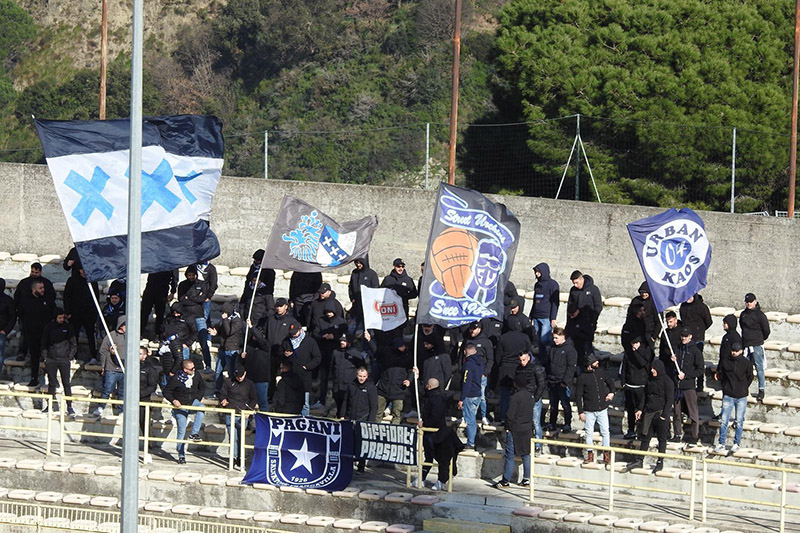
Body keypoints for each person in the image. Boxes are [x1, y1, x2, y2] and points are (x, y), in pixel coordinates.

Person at [629, 358, 674, 474]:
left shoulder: (667, 381)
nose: (652, 371)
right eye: (651, 369)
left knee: (662, 439)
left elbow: (669, 399)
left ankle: (660, 462)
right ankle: (640, 460)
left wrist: (664, 415)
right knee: (645, 437)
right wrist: (640, 409)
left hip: (660, 414)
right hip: (649, 413)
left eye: (654, 369)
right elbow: (645, 396)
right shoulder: (649, 380)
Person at [164, 359, 206, 464]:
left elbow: (202, 387)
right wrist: (174, 400)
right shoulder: (176, 379)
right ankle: (181, 455)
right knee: (181, 431)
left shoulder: (196, 375)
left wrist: (197, 398)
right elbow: (166, 391)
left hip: (192, 402)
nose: (193, 370)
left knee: (201, 407)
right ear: (185, 369)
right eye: (191, 369)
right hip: (180, 406)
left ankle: (194, 433)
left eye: (194, 368)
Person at [494, 374, 533, 487]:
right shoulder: (530, 396)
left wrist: (507, 427)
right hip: (527, 428)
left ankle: (505, 480)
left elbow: (510, 415)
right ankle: (526, 479)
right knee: (526, 454)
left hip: (515, 429)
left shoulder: (515, 397)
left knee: (510, 455)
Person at [575, 353, 615, 464]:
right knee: (589, 433)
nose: (597, 363)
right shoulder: (582, 378)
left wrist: (612, 393)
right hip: (589, 411)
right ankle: (590, 454)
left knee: (605, 432)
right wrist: (580, 412)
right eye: (595, 361)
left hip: (602, 408)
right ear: (589, 364)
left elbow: (610, 382)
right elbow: (578, 396)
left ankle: (606, 455)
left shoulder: (601, 372)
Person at [714, 342, 753, 454]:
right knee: (724, 421)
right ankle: (721, 443)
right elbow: (722, 375)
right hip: (728, 394)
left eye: (736, 351)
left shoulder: (746, 363)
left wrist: (744, 387)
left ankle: (736, 443)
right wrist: (725, 387)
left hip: (741, 396)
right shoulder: (726, 361)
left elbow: (750, 377)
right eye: (733, 350)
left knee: (739, 421)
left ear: (741, 351)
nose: (734, 353)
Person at [668, 328, 704, 444]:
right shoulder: (677, 349)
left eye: (685, 336)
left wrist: (687, 375)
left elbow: (700, 370)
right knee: (676, 412)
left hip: (689, 386)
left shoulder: (696, 351)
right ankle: (677, 434)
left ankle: (694, 436)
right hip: (677, 386)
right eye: (682, 336)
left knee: (693, 412)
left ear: (690, 336)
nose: (683, 338)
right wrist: (672, 361)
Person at [17, 279, 55, 386]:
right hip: (32, 334)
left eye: (43, 288)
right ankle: (34, 378)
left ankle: (51, 380)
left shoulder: (47, 300)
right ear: (34, 289)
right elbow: (21, 314)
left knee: (49, 357)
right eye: (40, 288)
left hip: (46, 335)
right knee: (34, 357)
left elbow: (52, 313)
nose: (43, 290)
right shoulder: (25, 300)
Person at [311, 300, 348, 410]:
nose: (329, 314)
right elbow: (315, 333)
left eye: (331, 312)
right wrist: (323, 336)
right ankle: (321, 401)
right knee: (323, 379)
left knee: (337, 378)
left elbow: (345, 335)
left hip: (337, 354)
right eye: (327, 312)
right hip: (323, 354)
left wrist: (334, 337)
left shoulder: (341, 322)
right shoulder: (321, 321)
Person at [496, 315, 532, 423]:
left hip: (505, 369)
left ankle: (503, 417)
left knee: (505, 396)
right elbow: (528, 352)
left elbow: (498, 356)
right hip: (519, 369)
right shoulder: (525, 338)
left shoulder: (503, 338)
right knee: (518, 395)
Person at [41, 308, 77, 415]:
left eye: (63, 317)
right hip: (51, 359)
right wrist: (45, 357)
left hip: (64, 359)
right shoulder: (49, 327)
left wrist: (69, 356)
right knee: (51, 383)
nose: (61, 319)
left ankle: (69, 406)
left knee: (66, 383)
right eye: (59, 317)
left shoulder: (68, 327)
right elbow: (44, 343)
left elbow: (73, 343)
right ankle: (50, 405)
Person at [417, 377, 451, 489]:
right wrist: (417, 378)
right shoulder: (430, 396)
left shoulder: (437, 399)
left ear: (430, 386)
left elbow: (435, 417)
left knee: (441, 458)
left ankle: (442, 481)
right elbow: (419, 392)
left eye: (427, 385)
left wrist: (424, 423)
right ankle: (422, 478)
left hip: (436, 433)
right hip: (428, 433)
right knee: (428, 457)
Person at [220, 366, 258, 467]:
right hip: (230, 413)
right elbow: (222, 394)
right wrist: (223, 401)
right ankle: (233, 458)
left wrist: (248, 411)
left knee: (241, 438)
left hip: (243, 414)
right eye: (237, 376)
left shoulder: (250, 384)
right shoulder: (228, 382)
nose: (239, 378)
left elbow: (254, 399)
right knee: (232, 437)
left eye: (241, 376)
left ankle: (240, 458)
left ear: (245, 374)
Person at [343, 367, 378, 473]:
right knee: (349, 442)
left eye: (364, 376)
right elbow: (345, 401)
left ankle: (361, 466)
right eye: (360, 376)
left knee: (362, 444)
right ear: (356, 375)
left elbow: (374, 406)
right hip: (351, 417)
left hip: (363, 419)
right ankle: (349, 465)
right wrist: (342, 415)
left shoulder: (371, 387)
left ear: (367, 376)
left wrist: (370, 421)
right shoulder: (351, 385)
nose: (361, 378)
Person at [566, 270, 602, 367]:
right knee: (576, 348)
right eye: (574, 283)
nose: (576, 285)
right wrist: (571, 314)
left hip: (588, 324)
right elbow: (570, 306)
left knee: (587, 348)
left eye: (577, 282)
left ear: (582, 279)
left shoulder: (593, 289)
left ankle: (591, 369)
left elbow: (598, 306)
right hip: (575, 325)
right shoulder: (573, 290)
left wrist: (592, 320)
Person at [544, 327, 577, 432]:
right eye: (554, 338)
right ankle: (552, 423)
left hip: (562, 383)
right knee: (553, 405)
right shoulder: (552, 348)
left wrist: (565, 382)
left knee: (565, 404)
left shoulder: (570, 350)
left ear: (563, 337)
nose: (554, 340)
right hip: (552, 381)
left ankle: (567, 424)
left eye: (556, 338)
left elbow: (571, 367)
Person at [460, 322, 494, 425]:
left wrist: (485, 373)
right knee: (465, 395)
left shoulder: (486, 342)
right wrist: (461, 369)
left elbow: (490, 359)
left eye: (474, 329)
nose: (472, 331)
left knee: (482, 397)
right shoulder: (467, 340)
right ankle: (464, 416)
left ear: (480, 328)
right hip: (468, 373)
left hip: (480, 375)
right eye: (470, 328)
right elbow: (461, 356)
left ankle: (483, 415)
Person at [63, 267, 99, 363]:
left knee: (91, 335)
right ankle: (73, 356)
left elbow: (96, 298)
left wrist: (95, 313)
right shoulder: (72, 281)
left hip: (89, 314)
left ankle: (94, 355)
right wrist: (68, 312)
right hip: (75, 314)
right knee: (74, 336)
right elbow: (66, 296)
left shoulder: (93, 281)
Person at [208, 301, 244, 398]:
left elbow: (229, 331)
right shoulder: (225, 320)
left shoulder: (237, 320)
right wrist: (217, 333)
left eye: (224, 313)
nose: (222, 315)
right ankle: (217, 391)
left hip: (232, 349)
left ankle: (231, 392)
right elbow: (222, 329)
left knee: (231, 372)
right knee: (218, 371)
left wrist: (225, 320)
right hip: (223, 349)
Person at [178, 266, 211, 370]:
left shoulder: (201, 284)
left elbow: (203, 298)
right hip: (187, 317)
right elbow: (181, 299)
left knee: (204, 343)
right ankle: (185, 366)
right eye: (189, 275)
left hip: (199, 317)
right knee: (185, 343)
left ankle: (208, 365)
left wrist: (190, 298)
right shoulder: (182, 285)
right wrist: (196, 298)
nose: (191, 277)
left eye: (193, 275)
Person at [739, 293, 770, 402]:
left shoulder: (760, 315)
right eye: (747, 302)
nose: (748, 304)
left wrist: (759, 339)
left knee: (759, 368)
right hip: (746, 344)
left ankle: (761, 389)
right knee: (745, 368)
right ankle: (743, 387)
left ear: (755, 302)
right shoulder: (743, 314)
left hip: (756, 345)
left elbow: (766, 330)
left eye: (750, 302)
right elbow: (742, 327)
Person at [286, 322, 322, 416]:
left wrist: (307, 367)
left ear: (300, 330)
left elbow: (317, 357)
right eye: (291, 333)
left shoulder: (310, 341)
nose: (293, 335)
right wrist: (285, 355)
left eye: (295, 333)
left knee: (305, 404)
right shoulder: (287, 341)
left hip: (304, 377)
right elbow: (280, 352)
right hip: (290, 377)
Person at [375, 337, 412, 424]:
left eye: (403, 346)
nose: (403, 348)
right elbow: (375, 352)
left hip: (399, 390)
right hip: (383, 389)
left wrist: (409, 380)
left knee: (397, 414)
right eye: (400, 346)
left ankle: (394, 431)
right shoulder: (387, 356)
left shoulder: (408, 356)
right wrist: (369, 341)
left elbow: (411, 370)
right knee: (378, 413)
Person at [680, 293, 712, 391]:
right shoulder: (683, 306)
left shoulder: (702, 307)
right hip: (686, 337)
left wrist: (699, 330)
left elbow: (708, 321)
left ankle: (700, 384)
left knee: (698, 361)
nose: (688, 298)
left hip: (698, 338)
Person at [96, 315, 127, 416]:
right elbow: (102, 351)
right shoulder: (111, 336)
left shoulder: (131, 336)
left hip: (124, 369)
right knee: (107, 389)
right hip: (111, 368)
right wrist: (103, 366)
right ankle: (101, 408)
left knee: (123, 391)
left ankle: (121, 410)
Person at [516, 350, 546, 453]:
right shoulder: (519, 368)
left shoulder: (536, 368)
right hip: (523, 399)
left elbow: (541, 384)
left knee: (535, 422)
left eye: (523, 360)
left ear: (529, 357)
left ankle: (538, 446)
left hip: (533, 398)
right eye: (520, 360)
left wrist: (535, 398)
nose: (522, 362)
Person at [621, 337, 652, 439]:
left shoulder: (645, 352)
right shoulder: (628, 354)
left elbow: (642, 363)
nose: (633, 345)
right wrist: (623, 383)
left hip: (640, 386)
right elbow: (624, 368)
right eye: (632, 343)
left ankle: (642, 431)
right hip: (629, 386)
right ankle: (631, 430)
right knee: (630, 410)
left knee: (641, 409)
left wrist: (636, 352)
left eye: (636, 343)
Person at [529, 262, 559, 362]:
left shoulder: (552, 285)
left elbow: (555, 303)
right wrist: (531, 316)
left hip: (546, 317)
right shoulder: (537, 285)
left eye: (538, 272)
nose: (537, 274)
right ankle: (543, 360)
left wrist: (553, 318)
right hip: (536, 317)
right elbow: (534, 301)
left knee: (545, 339)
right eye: (536, 272)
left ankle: (553, 355)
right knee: (539, 341)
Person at [241, 318, 273, 411]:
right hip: (250, 379)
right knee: (248, 403)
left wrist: (251, 327)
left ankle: (264, 423)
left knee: (262, 403)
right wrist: (242, 356)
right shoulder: (249, 346)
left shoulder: (266, 346)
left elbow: (261, 340)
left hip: (261, 380)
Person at [331, 333, 365, 417]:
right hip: (337, 386)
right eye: (341, 340)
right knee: (339, 408)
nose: (342, 342)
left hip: (349, 386)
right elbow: (332, 368)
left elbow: (362, 369)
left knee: (348, 408)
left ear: (349, 342)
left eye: (344, 341)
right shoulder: (335, 352)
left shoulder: (356, 354)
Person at [459, 343, 485, 450]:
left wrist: (462, 398)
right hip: (478, 393)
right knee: (472, 419)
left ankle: (471, 442)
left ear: (465, 352)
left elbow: (466, 382)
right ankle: (472, 441)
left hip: (470, 395)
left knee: (470, 420)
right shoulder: (480, 362)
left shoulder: (468, 365)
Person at [139, 346, 161, 463]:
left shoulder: (150, 368)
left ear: (145, 355)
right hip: (130, 400)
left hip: (143, 400)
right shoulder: (132, 365)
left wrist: (139, 394)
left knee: (144, 424)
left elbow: (152, 386)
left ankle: (148, 450)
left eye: (141, 353)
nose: (138, 355)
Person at [140, 270, 178, 337]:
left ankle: (158, 334)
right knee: (144, 313)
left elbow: (175, 277)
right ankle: (140, 333)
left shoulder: (171, 261)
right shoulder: (155, 260)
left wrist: (172, 292)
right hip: (150, 289)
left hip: (162, 290)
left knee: (160, 314)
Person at [348, 257, 379, 332]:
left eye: (360, 262)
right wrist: (352, 298)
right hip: (356, 306)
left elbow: (375, 289)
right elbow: (350, 286)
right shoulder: (354, 273)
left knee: (368, 331)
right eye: (356, 262)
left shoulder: (372, 274)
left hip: (368, 308)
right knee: (351, 330)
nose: (358, 265)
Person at [0, 278, 16, 377]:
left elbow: (13, 317)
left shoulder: (8, 300)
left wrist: (5, 330)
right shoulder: (8, 300)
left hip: (1, 331)